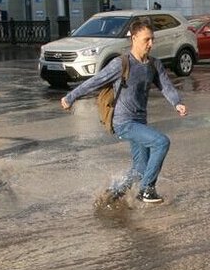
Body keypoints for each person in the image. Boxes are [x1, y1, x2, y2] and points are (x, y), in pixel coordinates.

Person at [60, 19, 188, 204]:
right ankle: (146, 190)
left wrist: (177, 103)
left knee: (140, 169)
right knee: (161, 142)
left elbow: (166, 86)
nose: (151, 44)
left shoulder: (154, 64)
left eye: (152, 39)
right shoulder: (121, 63)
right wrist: (70, 97)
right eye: (146, 40)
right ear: (134, 38)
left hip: (139, 122)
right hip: (123, 122)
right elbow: (94, 81)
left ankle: (112, 195)